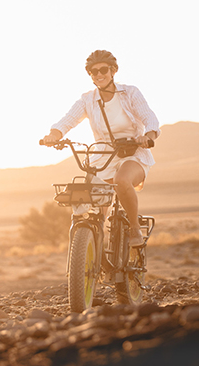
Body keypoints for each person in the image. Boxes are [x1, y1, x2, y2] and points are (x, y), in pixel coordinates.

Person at [42, 50, 160, 247]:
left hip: (133, 153)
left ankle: (134, 229)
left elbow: (149, 118)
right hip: (104, 156)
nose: (98, 74)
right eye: (92, 71)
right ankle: (93, 249)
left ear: (113, 70)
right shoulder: (88, 100)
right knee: (90, 199)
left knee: (122, 180)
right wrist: (54, 135)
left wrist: (148, 136)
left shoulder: (130, 93)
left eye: (103, 69)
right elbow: (69, 119)